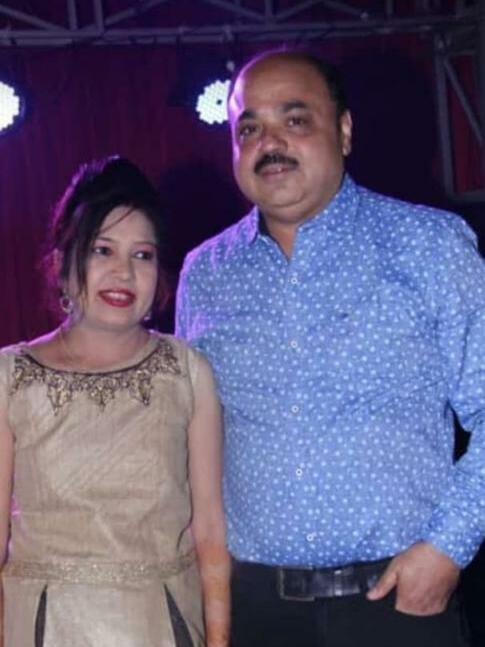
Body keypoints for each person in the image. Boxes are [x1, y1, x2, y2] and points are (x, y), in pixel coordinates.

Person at [175, 49, 485, 647]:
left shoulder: (429, 246)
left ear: (343, 131)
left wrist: (447, 548)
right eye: (249, 128)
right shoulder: (205, 273)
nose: (270, 144)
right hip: (255, 610)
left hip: (397, 604)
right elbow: (192, 438)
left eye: (295, 120)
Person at [0, 157, 230, 647]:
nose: (123, 271)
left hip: (161, 626)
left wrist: (218, 640)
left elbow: (210, 532)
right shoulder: (9, 378)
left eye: (142, 255)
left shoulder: (186, 371)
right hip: (45, 627)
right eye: (102, 249)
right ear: (62, 265)